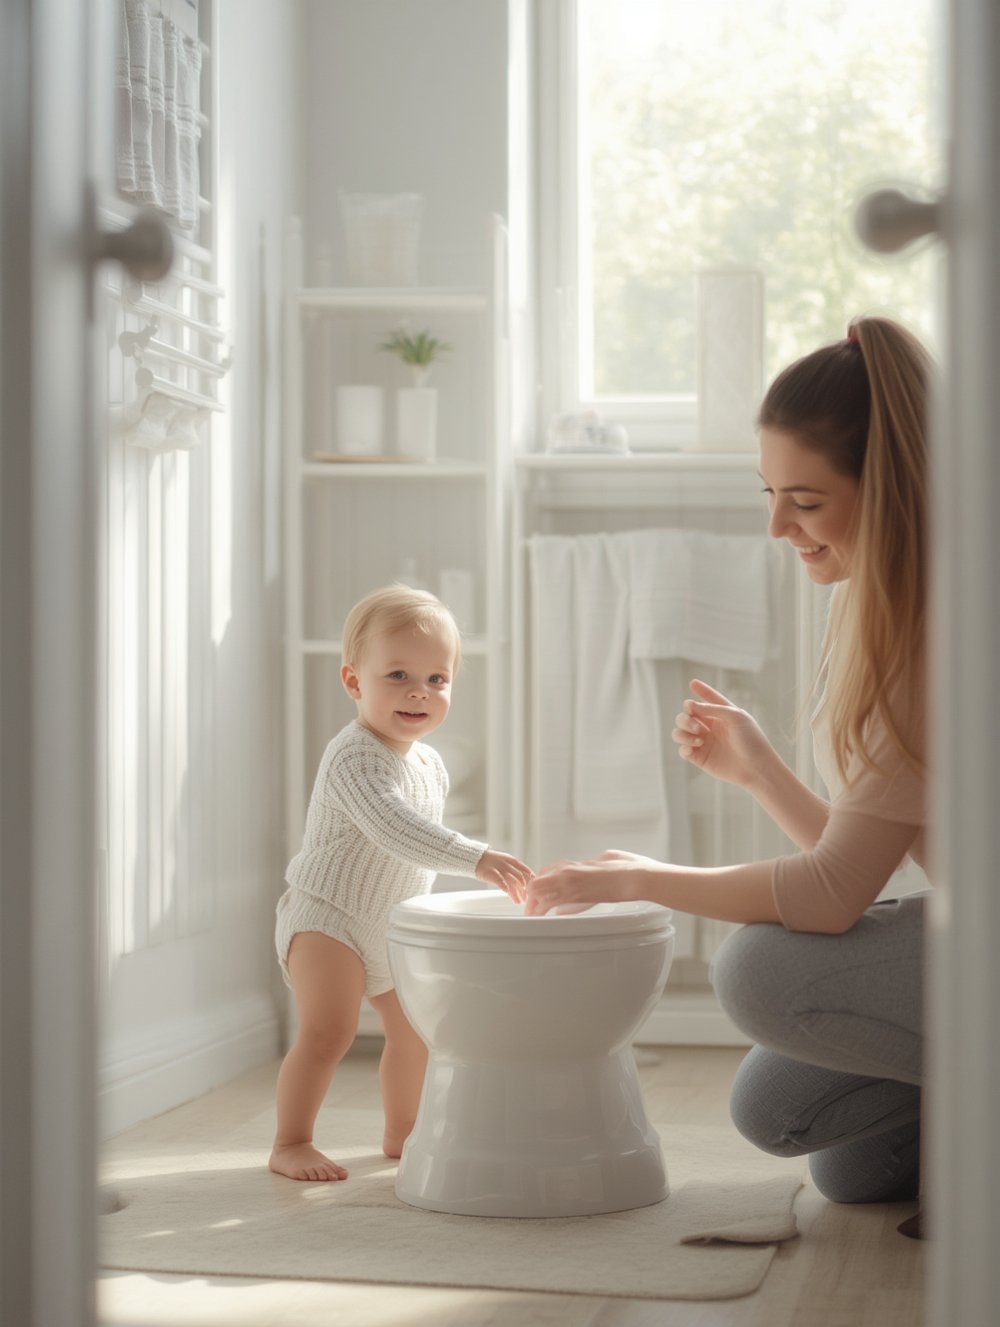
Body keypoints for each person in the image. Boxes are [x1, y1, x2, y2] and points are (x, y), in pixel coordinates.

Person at [525, 316, 930, 1221]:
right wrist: (760, 773)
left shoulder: (932, 638)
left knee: (757, 974)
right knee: (800, 1127)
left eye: (808, 500)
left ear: (894, 490)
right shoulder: (884, 610)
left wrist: (640, 879)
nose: (778, 524)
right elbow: (856, 875)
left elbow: (829, 901)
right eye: (770, 492)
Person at [272, 584, 533, 1182]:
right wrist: (477, 858)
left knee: (416, 1031)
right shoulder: (355, 757)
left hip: (388, 921)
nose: (419, 691)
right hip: (328, 916)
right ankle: (290, 1141)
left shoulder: (429, 762)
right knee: (328, 1032)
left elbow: (412, 839)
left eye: (437, 679)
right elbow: (395, 827)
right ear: (354, 682)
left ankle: (403, 1132)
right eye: (397, 675)